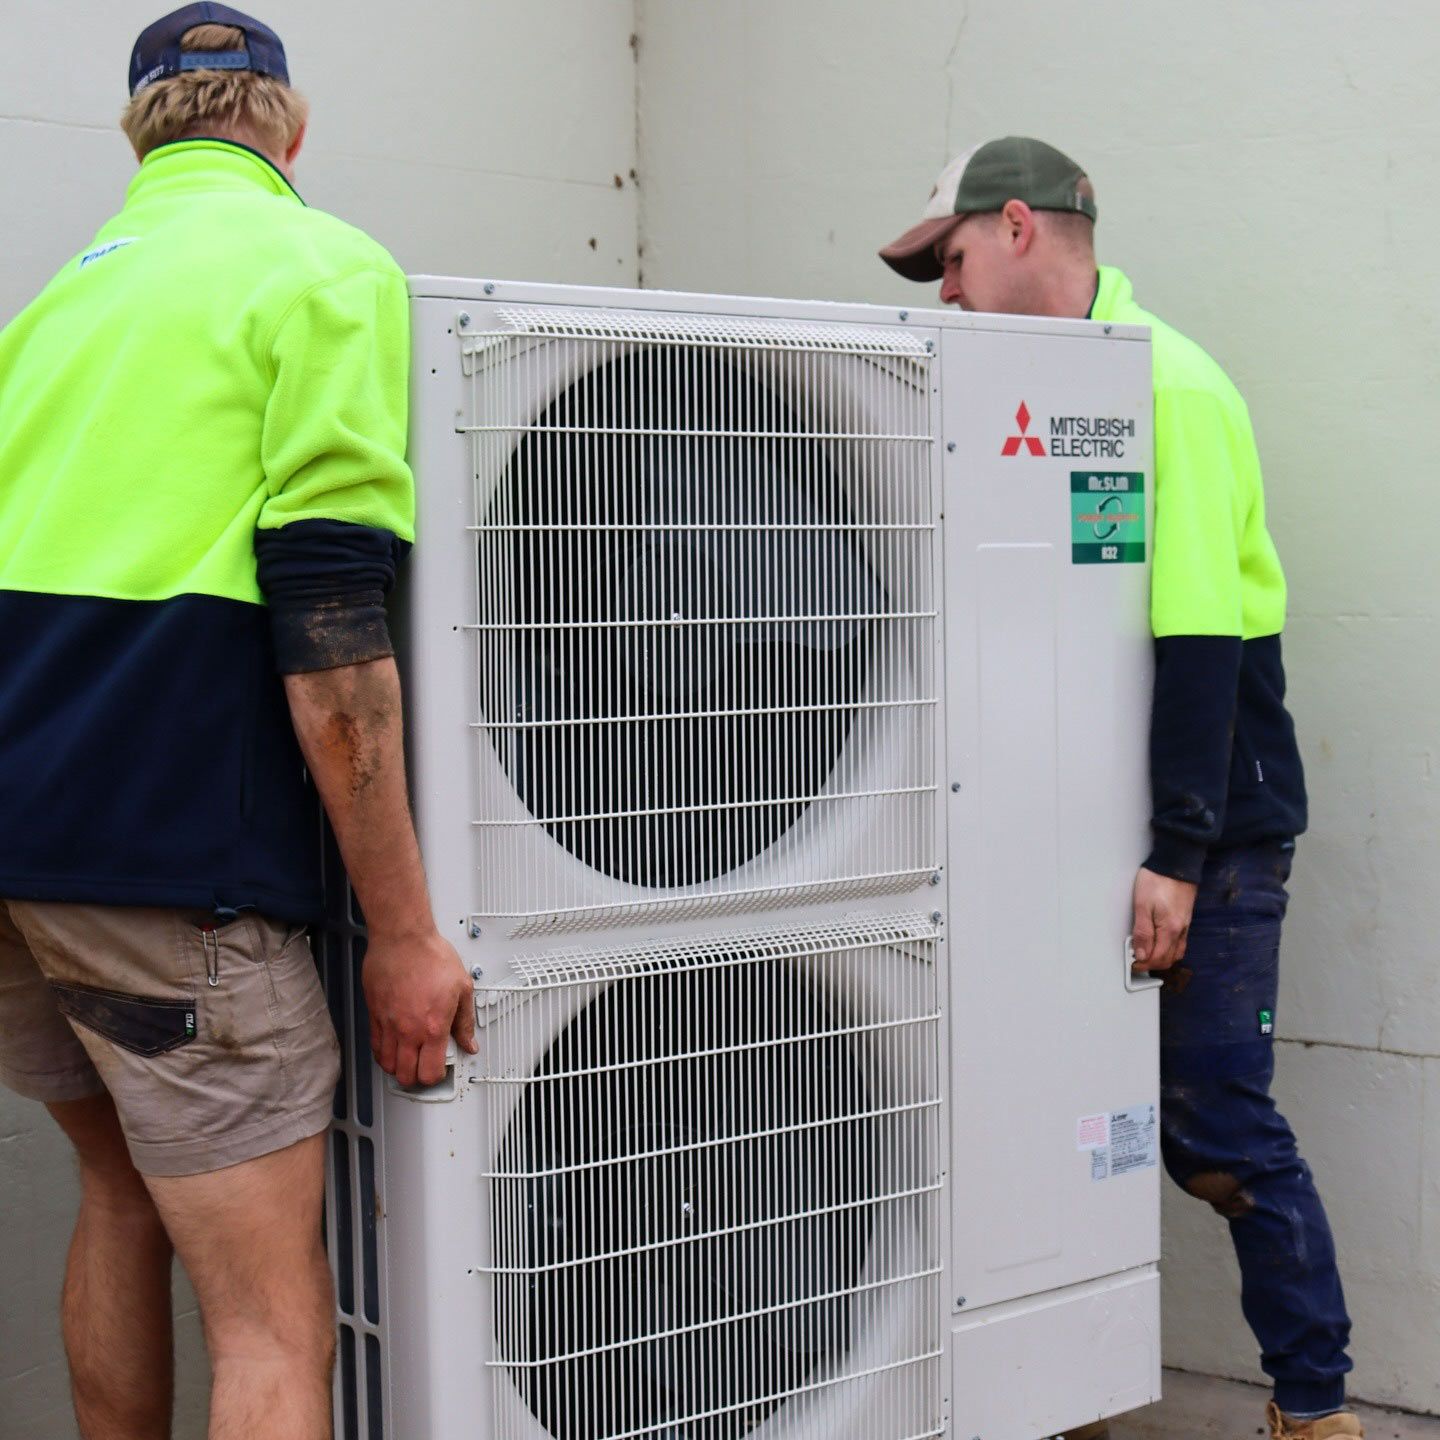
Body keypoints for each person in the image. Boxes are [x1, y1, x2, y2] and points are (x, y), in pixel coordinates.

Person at [0, 7, 475, 1437]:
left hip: (22, 865)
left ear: (140, 132)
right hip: (174, 874)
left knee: (121, 1194)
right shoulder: (325, 269)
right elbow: (333, 634)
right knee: (269, 1320)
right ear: (293, 128)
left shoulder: (52, 307)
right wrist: (402, 931)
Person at [880, 137, 1360, 1440]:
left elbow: (1198, 639)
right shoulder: (1029, 395)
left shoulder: (1170, 388)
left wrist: (1178, 856)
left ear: (1020, 228)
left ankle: (1315, 1409)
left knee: (1213, 1129)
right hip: (1083, 831)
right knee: (1034, 1102)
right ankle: (1050, 1385)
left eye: (955, 261)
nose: (946, 296)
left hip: (1206, 830)